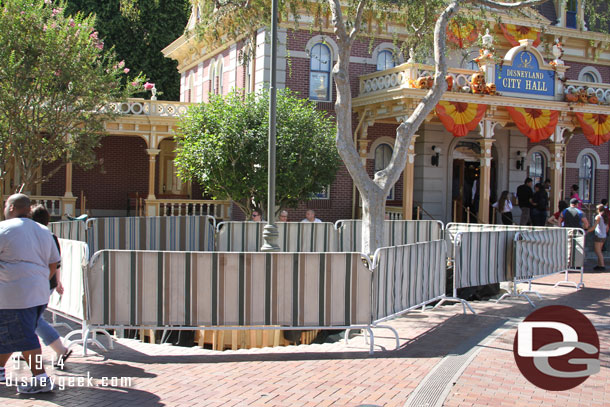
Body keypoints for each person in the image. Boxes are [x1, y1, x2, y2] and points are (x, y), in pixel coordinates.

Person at [0, 194, 61, 394]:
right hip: (38, 293)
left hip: (13, 294)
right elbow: (53, 263)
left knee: (24, 337)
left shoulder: (4, 229)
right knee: (10, 333)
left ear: (10, 208)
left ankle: (41, 379)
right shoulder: (44, 231)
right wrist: (40, 279)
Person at [30, 205, 72, 369]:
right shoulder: (50, 236)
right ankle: (25, 350)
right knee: (32, 317)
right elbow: (57, 263)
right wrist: (58, 282)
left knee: (33, 318)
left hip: (41, 283)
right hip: (46, 282)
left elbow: (54, 263)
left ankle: (60, 349)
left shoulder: (42, 236)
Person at [588, 204, 607, 271]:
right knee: (600, 251)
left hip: (599, 235)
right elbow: (607, 228)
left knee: (597, 251)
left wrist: (587, 231)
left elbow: (594, 227)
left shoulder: (598, 217)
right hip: (604, 235)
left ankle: (602, 265)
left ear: (598, 210)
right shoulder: (605, 216)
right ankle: (599, 264)